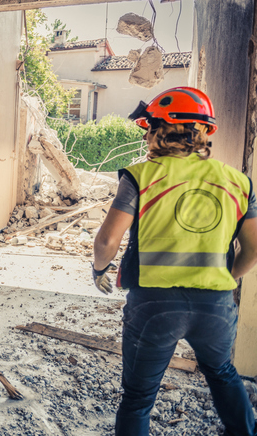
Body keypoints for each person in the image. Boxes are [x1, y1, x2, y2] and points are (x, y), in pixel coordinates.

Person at [91, 87, 257, 436]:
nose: (147, 135)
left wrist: (99, 269)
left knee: (138, 398)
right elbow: (254, 249)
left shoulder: (139, 176)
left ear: (161, 130)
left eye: (149, 127)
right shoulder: (239, 182)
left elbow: (107, 241)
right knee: (223, 373)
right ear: (202, 133)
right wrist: (227, 276)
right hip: (216, 305)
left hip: (154, 305)